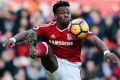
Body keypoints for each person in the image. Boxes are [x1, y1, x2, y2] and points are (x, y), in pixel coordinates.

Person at [3, 1, 119, 80]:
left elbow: (94, 39)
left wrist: (106, 52)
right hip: (54, 65)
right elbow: (28, 33)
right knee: (44, 46)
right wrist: (13, 39)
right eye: (62, 13)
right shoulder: (48, 26)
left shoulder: (76, 27)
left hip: (72, 68)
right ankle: (35, 51)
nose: (66, 15)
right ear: (55, 15)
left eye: (68, 13)